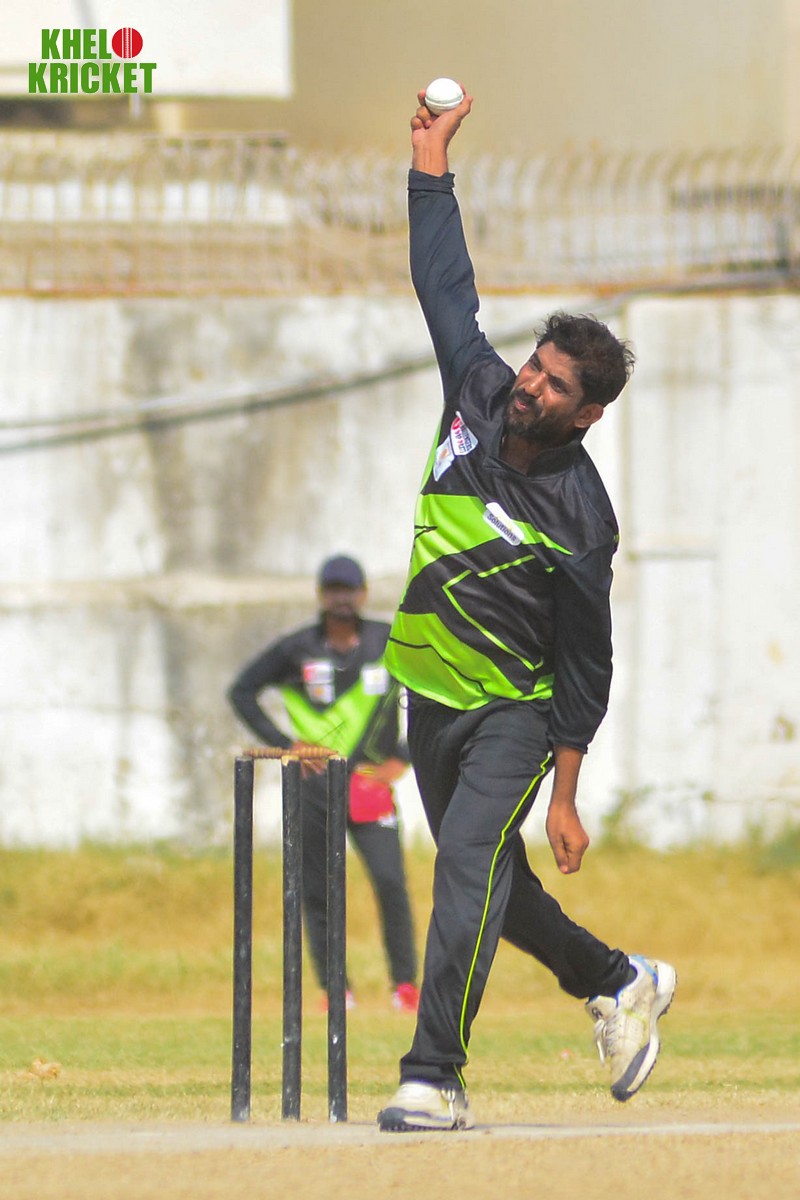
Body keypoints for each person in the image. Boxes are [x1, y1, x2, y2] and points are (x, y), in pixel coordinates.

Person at [376, 88, 676, 1132]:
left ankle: (434, 1077)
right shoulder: (474, 389)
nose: (530, 388)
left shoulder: (580, 519)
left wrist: (565, 793)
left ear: (586, 416)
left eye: (552, 388)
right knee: (492, 889)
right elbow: (443, 286)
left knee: (465, 869)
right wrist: (429, 164)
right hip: (427, 693)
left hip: (511, 713)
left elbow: (585, 665)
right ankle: (619, 978)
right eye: (535, 368)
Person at [228, 554, 419, 1013]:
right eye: (333, 590)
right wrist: (285, 744)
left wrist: (403, 756)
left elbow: (438, 688)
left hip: (370, 785)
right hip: (314, 785)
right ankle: (336, 990)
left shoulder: (388, 640)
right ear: (320, 595)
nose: (341, 598)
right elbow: (242, 692)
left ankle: (405, 987)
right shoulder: (297, 648)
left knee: (390, 882)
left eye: (349, 590)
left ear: (363, 593)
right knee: (317, 889)